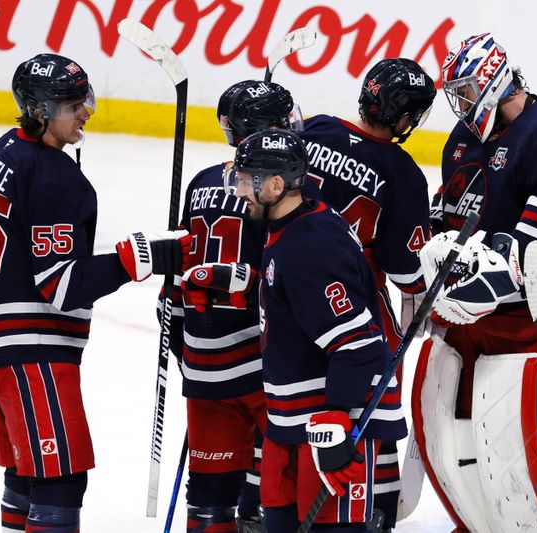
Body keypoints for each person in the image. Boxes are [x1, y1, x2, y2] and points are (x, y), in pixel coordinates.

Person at [0, 53, 189, 532]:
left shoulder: (5, 147)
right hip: (26, 346)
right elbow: (62, 288)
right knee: (60, 475)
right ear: (40, 111)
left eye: (84, 99)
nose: (85, 112)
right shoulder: (57, 176)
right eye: (71, 104)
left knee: (26, 462)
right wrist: (141, 256)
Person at [417, 33, 537, 531]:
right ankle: (479, 520)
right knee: (465, 434)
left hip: (532, 317)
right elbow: (448, 207)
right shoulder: (465, 136)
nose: (462, 104)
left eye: (469, 91)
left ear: (496, 80)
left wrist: (487, 274)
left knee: (533, 439)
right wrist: (435, 248)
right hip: (469, 319)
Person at [210, 129, 407, 532]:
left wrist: (335, 420)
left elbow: (358, 344)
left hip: (326, 424)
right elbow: (297, 306)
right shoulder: (293, 224)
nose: (239, 190)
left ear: (277, 185)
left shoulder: (310, 246)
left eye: (246, 181)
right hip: (292, 421)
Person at [297, 57, 435, 531]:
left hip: (288, 291)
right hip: (354, 302)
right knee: (369, 406)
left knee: (291, 401)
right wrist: (419, 295)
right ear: (403, 118)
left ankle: (261, 500)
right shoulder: (403, 173)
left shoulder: (314, 130)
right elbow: (402, 261)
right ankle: (375, 508)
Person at [160, 79, 301, 532]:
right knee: (275, 487)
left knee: (209, 492)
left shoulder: (201, 182)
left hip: (204, 363)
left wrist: (182, 341)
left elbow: (177, 277)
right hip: (260, 362)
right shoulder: (279, 189)